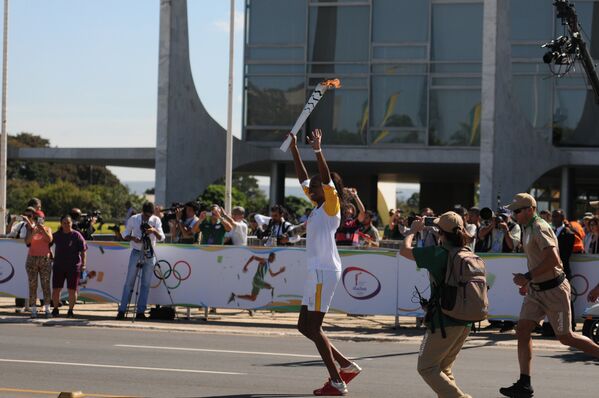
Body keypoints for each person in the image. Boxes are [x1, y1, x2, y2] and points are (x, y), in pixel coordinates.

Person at [499, 193, 599, 398]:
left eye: (517, 211)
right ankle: (524, 383)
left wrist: (527, 277)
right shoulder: (526, 227)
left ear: (530, 210)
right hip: (537, 290)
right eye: (514, 211)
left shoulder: (539, 227)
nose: (514, 214)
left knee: (566, 338)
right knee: (523, 329)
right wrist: (530, 282)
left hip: (554, 290)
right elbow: (536, 259)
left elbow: (553, 259)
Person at [289, 129, 361, 396]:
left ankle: (337, 381)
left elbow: (326, 180)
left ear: (327, 189)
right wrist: (295, 149)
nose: (312, 186)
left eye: (317, 184)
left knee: (314, 328)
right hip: (315, 271)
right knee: (303, 326)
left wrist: (318, 151)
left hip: (324, 271)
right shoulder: (317, 204)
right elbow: (302, 178)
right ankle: (346, 365)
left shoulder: (332, 205)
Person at [399, 212, 474, 398]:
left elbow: (404, 250)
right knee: (443, 369)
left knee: (426, 367)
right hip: (466, 321)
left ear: (440, 232)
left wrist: (412, 231)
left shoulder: (438, 253)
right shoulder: (467, 252)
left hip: (444, 322)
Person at [116, 202, 165, 320]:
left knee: (146, 284)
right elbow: (124, 235)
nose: (148, 218)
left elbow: (162, 237)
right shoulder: (134, 219)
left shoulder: (156, 220)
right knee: (129, 283)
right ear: (142, 212)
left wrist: (153, 230)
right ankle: (122, 311)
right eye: (146, 215)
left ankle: (140, 312)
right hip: (136, 252)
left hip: (149, 253)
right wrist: (133, 238)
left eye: (150, 216)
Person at [51, 215, 87, 318]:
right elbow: (47, 244)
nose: (66, 225)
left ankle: (70, 310)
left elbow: (83, 251)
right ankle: (55, 309)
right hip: (59, 266)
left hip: (73, 267)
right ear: (61, 224)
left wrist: (83, 265)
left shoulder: (77, 235)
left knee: (72, 290)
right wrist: (50, 254)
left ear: (72, 223)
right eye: (64, 223)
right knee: (56, 289)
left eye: (68, 223)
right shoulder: (56, 235)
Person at [23, 211, 53, 318]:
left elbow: (49, 239)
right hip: (32, 259)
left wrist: (42, 229)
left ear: (44, 219)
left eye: (41, 218)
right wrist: (33, 231)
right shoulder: (30, 229)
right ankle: (33, 310)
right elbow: (27, 242)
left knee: (46, 284)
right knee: (32, 285)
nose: (39, 220)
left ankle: (48, 309)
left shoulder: (48, 229)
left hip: (45, 259)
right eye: (36, 218)